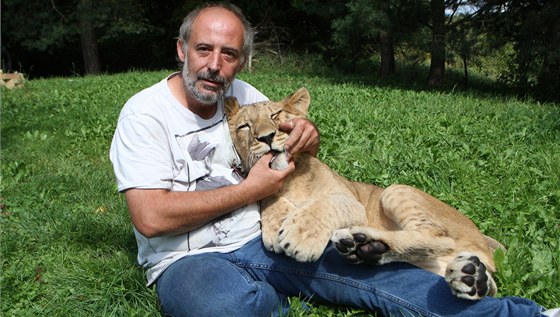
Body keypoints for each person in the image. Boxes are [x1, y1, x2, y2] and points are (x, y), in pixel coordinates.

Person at [110, 3, 557, 317]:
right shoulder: (145, 114)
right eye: (204, 49)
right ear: (181, 49)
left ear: (241, 61)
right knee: (219, 306)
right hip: (188, 259)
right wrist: (250, 191)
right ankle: (276, 298)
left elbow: (298, 149)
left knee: (382, 277)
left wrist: (310, 137)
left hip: (269, 234)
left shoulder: (245, 98)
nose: (214, 65)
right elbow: (149, 218)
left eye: (228, 55)